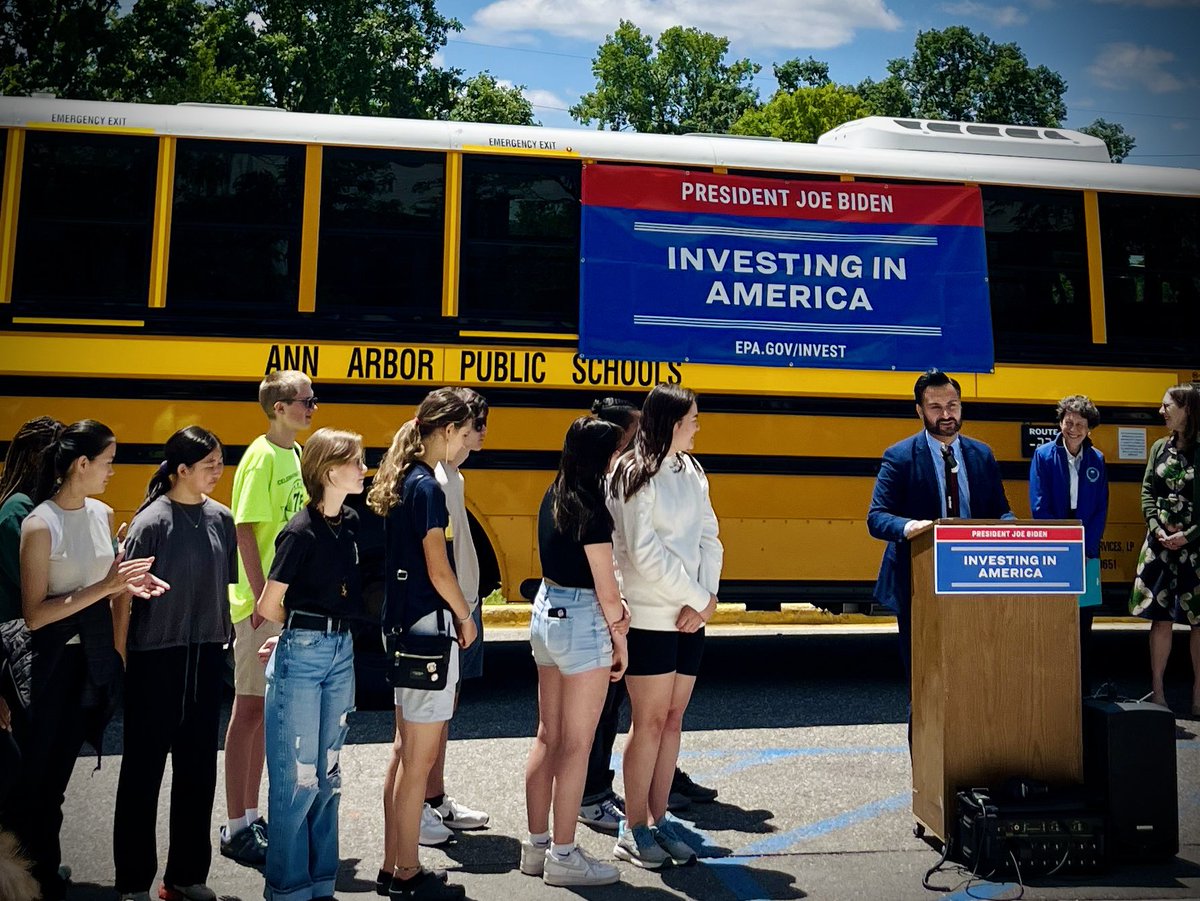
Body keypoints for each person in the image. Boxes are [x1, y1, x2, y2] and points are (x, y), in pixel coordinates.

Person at [16, 420, 167, 900]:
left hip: (93, 662)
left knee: (60, 775)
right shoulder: (39, 523)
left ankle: (46, 870)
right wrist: (104, 588)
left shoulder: (102, 515)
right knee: (36, 778)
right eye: (107, 461)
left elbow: (111, 586)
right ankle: (33, 876)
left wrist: (128, 591)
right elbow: (35, 615)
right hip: (49, 666)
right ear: (82, 464)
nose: (111, 470)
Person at [577, 398, 719, 830]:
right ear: (673, 423)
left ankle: (659, 820)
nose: (697, 428)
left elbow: (711, 538)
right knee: (650, 722)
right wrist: (696, 596)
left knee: (673, 719)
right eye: (693, 421)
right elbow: (643, 553)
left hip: (689, 616)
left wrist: (705, 600)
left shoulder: (691, 470)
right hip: (651, 617)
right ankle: (634, 828)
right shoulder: (633, 472)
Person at [112, 427, 237, 901]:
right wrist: (122, 659)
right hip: (154, 659)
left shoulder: (222, 519)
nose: (217, 470)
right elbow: (123, 598)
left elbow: (223, 588)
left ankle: (185, 876)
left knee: (198, 770)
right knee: (143, 774)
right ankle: (132, 883)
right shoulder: (150, 522)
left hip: (206, 656)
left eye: (220, 461)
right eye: (209, 463)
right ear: (180, 470)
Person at [367, 389, 477, 901]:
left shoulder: (405, 479)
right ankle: (407, 872)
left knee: (402, 755)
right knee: (417, 762)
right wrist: (463, 614)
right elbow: (439, 566)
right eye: (465, 431)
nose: (465, 442)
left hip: (401, 627)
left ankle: (394, 864)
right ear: (449, 431)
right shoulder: (429, 487)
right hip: (429, 629)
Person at [256, 428, 367, 901]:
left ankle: (321, 882)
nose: (365, 469)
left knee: (329, 773)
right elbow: (268, 603)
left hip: (341, 650)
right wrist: (299, 632)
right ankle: (287, 888)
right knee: (297, 777)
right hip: (306, 653)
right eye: (357, 462)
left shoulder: (353, 524)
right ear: (329, 471)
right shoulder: (299, 531)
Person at [521, 416, 628, 887]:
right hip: (583, 623)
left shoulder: (554, 493)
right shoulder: (592, 507)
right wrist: (621, 637)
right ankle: (564, 855)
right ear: (603, 457)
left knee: (548, 735)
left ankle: (537, 845)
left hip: (545, 611)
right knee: (577, 747)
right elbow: (607, 593)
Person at [867, 369, 1014, 697]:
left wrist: (1010, 528)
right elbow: (877, 517)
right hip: (921, 584)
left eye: (953, 405)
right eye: (936, 407)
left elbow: (999, 509)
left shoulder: (982, 454)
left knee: (976, 677)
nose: (946, 414)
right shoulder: (901, 456)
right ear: (919, 411)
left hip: (976, 581)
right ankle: (925, 747)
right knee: (925, 684)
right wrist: (910, 527)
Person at [223, 370, 315, 867]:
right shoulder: (261, 457)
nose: (311, 408)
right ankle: (237, 824)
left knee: (266, 715)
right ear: (278, 407)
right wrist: (263, 603)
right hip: (261, 608)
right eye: (305, 401)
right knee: (250, 710)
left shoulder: (294, 454)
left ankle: (252, 815)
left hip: (283, 603)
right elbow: (245, 533)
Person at [1029, 396, 1109, 694]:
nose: (1073, 428)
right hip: (1055, 550)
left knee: (1083, 620)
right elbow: (1039, 505)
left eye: (1080, 424)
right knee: (1055, 621)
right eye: (1068, 422)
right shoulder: (1044, 455)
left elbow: (1101, 507)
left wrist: (1086, 548)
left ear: (1089, 429)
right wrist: (1061, 546)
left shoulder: (1097, 459)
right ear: (1060, 422)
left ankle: (1081, 690)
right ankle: (1054, 688)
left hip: (1086, 552)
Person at [1130, 383, 1200, 715]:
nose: (1161, 411)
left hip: (1194, 548)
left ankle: (1199, 693)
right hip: (1159, 547)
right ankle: (1158, 692)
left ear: (1187, 409)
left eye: (1167, 406)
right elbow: (1147, 492)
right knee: (1160, 620)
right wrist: (1158, 529)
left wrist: (1189, 534)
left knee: (1199, 622)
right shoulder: (1159, 447)